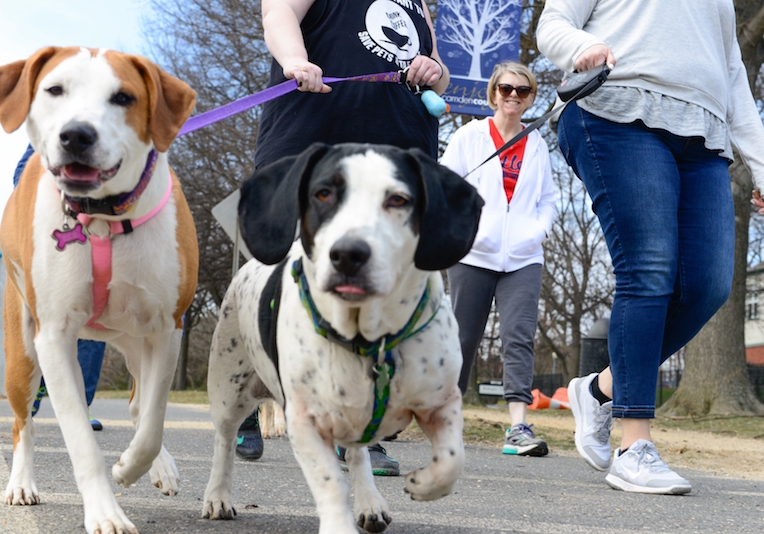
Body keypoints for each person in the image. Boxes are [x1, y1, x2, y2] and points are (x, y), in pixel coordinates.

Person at [536, 0, 764, 494]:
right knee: (649, 270)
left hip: (702, 133)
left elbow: (733, 73)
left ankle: (601, 388)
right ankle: (634, 447)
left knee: (709, 284)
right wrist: (583, 46)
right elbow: (553, 24)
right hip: (617, 111)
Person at [236, 0, 450, 476]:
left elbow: (438, 71)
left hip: (397, 147)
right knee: (273, 274)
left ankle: (363, 425)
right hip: (311, 139)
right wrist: (295, 60)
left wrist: (433, 70)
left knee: (381, 295)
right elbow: (277, 14)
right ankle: (249, 395)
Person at [440, 62, 557, 458]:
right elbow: (445, 187)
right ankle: (446, 420)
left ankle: (518, 427)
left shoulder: (536, 144)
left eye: (522, 91)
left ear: (530, 99)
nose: (513, 96)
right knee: (462, 338)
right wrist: (464, 231)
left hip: (523, 258)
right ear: (493, 93)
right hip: (473, 254)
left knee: (518, 337)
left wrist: (535, 232)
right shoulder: (469, 136)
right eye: (506, 89)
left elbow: (547, 200)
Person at [12, 144, 107, 431]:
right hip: (54, 233)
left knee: (95, 323)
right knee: (46, 322)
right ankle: (31, 397)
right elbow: (22, 176)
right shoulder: (53, 131)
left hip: (102, 234)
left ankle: (80, 406)